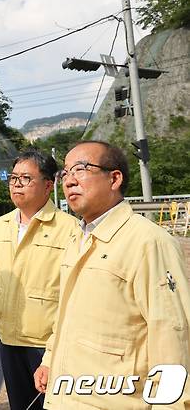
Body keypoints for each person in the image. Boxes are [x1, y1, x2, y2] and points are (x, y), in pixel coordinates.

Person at [34, 141, 190, 409]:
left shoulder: (149, 242)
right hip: (66, 396)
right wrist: (50, 359)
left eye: (81, 169)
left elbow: (172, 334)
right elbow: (66, 313)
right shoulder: (77, 238)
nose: (69, 181)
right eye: (66, 172)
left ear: (114, 178)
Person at [0, 150, 78, 410]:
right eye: (13, 178)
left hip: (47, 343)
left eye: (25, 178)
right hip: (8, 339)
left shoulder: (69, 229)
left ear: (47, 185)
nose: (16, 184)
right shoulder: (0, 226)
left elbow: (75, 291)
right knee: (19, 404)